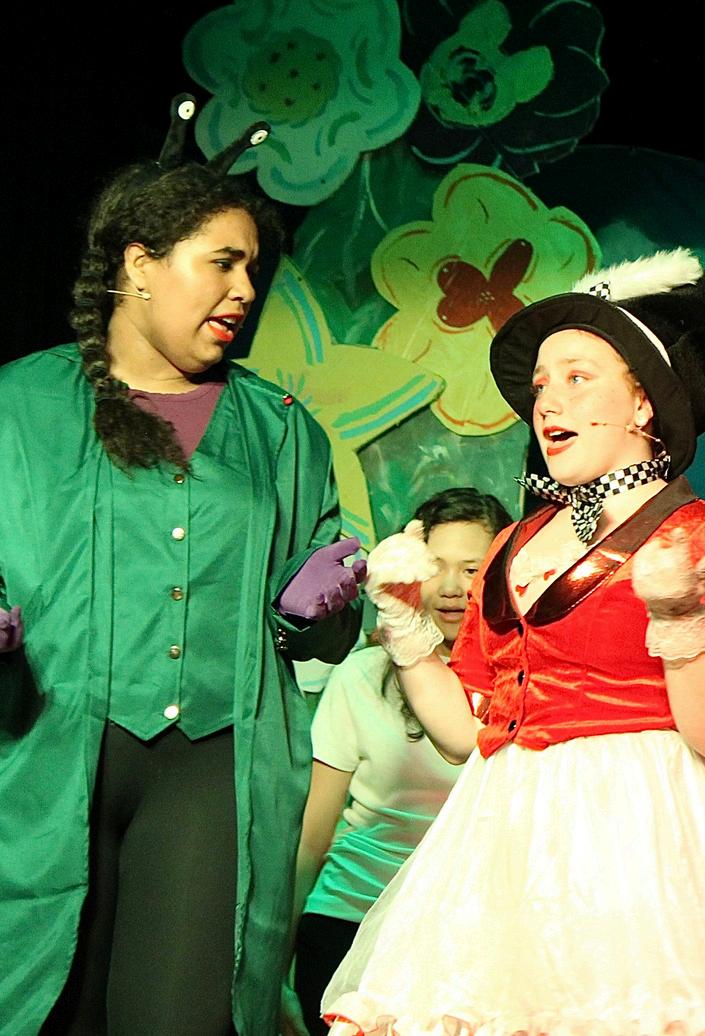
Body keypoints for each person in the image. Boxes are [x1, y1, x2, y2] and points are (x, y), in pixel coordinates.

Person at [321, 249, 705, 1035]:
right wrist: (407, 623)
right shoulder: (515, 542)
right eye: (541, 384)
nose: (547, 398)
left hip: (633, 839)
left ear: (643, 403)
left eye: (578, 377)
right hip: (506, 835)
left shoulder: (699, 535)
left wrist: (677, 616)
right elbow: (466, 731)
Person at [0, 97, 364, 1035]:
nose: (244, 289)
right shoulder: (21, 404)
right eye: (222, 262)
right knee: (44, 1001)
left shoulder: (279, 430)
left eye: (254, 269)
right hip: (46, 753)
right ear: (139, 266)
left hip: (213, 767)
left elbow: (322, 619)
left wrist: (319, 609)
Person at [286, 488, 511, 1036]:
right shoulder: (361, 677)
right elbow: (311, 837)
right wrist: (273, 963)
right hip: (351, 923)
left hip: (472, 941)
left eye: (472, 569)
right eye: (436, 567)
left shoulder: (527, 684)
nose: (452, 587)